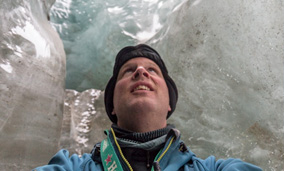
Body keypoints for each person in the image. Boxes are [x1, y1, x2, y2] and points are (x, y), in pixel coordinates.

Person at [35, 44, 261, 170]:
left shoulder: (214, 170)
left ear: (169, 103)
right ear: (112, 105)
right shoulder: (72, 168)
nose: (140, 72)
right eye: (128, 70)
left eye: (152, 70)